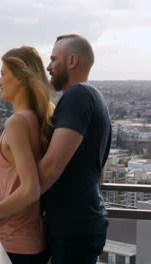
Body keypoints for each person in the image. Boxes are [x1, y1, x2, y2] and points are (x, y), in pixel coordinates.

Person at [0, 46, 54, 263]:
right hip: (33, 243)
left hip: (14, 243)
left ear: (21, 78)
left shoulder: (17, 123)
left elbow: (30, 189)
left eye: (3, 74)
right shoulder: (37, 119)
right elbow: (25, 170)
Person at [38, 34, 111, 264]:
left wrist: (13, 203)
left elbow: (52, 167)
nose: (49, 67)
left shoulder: (77, 96)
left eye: (53, 59)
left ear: (71, 61)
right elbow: (98, 170)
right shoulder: (95, 97)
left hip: (74, 228)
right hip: (82, 224)